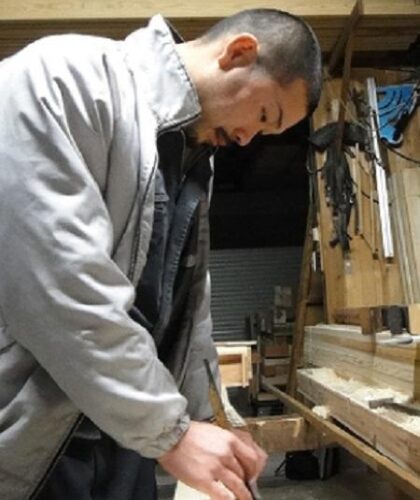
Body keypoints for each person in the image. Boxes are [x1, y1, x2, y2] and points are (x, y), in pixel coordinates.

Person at [0, 8, 322, 500]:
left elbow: (188, 310)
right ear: (238, 53)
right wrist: (171, 432)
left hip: (122, 435)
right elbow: (59, 285)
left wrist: (210, 418)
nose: (246, 140)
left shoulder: (191, 155)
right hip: (33, 435)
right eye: (263, 116)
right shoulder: (64, 82)